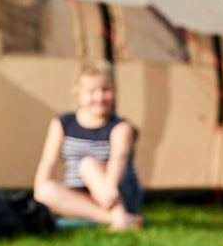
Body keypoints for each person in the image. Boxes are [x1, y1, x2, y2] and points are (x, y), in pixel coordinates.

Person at [32, 58, 144, 232]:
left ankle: (119, 212)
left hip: (114, 193)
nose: (99, 97)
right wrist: (40, 195)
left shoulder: (121, 127)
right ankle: (116, 219)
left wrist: (110, 186)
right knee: (45, 189)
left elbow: (118, 160)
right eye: (92, 91)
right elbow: (48, 162)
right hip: (81, 196)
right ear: (78, 95)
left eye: (105, 90)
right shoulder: (62, 123)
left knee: (87, 165)